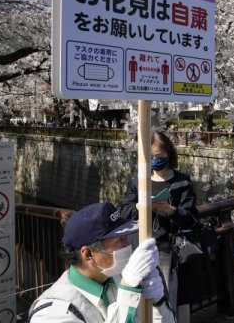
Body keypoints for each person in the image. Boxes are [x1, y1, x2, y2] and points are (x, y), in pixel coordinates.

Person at [29, 202, 174, 322]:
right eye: (119, 241)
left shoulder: (119, 278)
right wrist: (128, 295)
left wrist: (158, 304)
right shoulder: (53, 314)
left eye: (126, 237)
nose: (128, 245)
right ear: (89, 254)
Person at [118, 131, 199, 319]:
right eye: (151, 156)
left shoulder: (182, 182)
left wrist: (169, 210)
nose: (155, 160)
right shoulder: (138, 180)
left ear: (169, 154)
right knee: (138, 299)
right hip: (139, 247)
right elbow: (123, 210)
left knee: (165, 298)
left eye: (160, 156)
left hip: (167, 249)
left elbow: (191, 216)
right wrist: (139, 207)